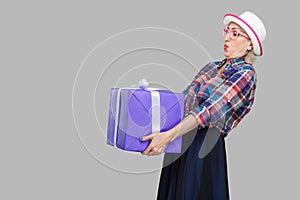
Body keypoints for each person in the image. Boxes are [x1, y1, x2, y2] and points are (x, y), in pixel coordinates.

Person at [140, 11, 267, 199]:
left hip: (203, 149)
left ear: (250, 44)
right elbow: (182, 103)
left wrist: (167, 137)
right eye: (227, 31)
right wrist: (149, 105)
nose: (227, 37)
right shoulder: (210, 68)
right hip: (180, 140)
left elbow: (208, 111)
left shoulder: (245, 75)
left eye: (235, 34)